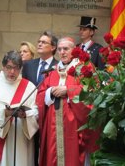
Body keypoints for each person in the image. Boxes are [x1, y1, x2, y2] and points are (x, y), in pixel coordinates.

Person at [37, 37, 98, 166]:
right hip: (52, 127)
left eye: (66, 49)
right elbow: (40, 95)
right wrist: (50, 92)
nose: (62, 52)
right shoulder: (52, 71)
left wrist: (68, 91)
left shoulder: (84, 68)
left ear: (74, 50)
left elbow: (92, 93)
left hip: (74, 127)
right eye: (59, 49)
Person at [0, 50, 38, 166]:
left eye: (16, 68)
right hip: (0, 139)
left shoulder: (29, 87)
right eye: (9, 67)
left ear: (21, 68)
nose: (12, 72)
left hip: (21, 138)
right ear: (3, 66)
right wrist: (4, 113)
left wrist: (25, 115)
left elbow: (36, 112)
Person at [22, 31, 58, 166]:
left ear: (53, 47)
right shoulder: (28, 65)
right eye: (39, 41)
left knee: (47, 150)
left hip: (48, 115)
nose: (40, 44)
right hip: (30, 114)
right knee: (30, 151)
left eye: (44, 42)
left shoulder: (58, 66)